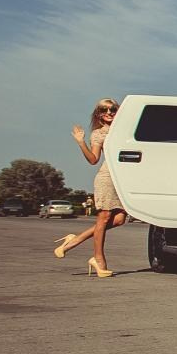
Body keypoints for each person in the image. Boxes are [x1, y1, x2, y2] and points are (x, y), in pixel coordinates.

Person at [50, 98, 128, 276]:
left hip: (123, 179)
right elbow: (93, 160)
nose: (109, 113)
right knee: (104, 217)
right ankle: (98, 260)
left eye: (112, 109)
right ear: (99, 114)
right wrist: (81, 142)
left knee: (119, 220)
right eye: (104, 110)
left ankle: (75, 240)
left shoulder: (125, 130)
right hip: (107, 177)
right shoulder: (99, 134)